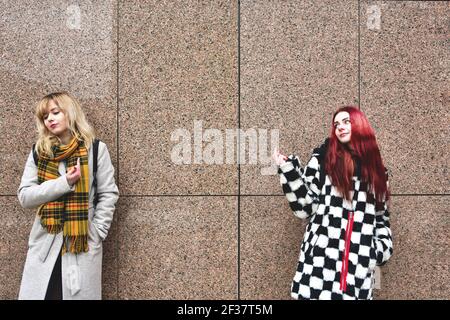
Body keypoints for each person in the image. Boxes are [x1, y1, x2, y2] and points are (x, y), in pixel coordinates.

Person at [273, 106, 393, 300]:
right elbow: (305, 208)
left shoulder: (378, 173)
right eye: (336, 124)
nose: (340, 127)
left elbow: (381, 219)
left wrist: (375, 252)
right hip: (318, 272)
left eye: (346, 122)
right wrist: (288, 170)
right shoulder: (322, 160)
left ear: (360, 125)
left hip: (356, 276)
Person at [17, 91, 119, 300]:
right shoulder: (40, 152)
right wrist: (64, 183)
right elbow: (25, 196)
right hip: (45, 242)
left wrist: (97, 231)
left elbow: (108, 193)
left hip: (81, 241)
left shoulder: (95, 149)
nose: (50, 119)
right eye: (45, 116)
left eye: (55, 112)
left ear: (70, 113)